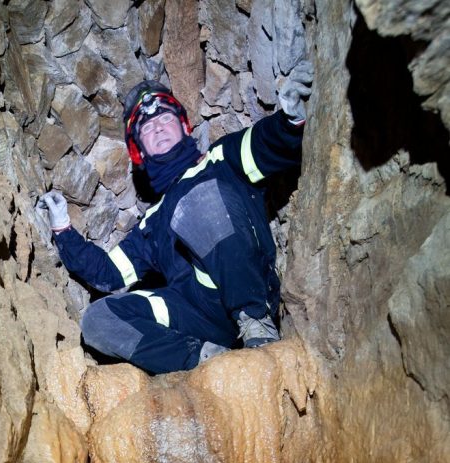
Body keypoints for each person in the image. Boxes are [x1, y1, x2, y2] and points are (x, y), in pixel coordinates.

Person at [40, 62, 313, 373]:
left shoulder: (221, 158)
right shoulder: (151, 223)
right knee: (98, 320)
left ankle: (258, 328)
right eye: (145, 126)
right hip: (200, 317)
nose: (156, 126)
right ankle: (204, 360)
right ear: (138, 152)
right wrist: (63, 228)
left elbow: (267, 143)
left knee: (196, 200)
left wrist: (291, 119)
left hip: (247, 288)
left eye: (165, 118)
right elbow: (108, 272)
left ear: (184, 127)